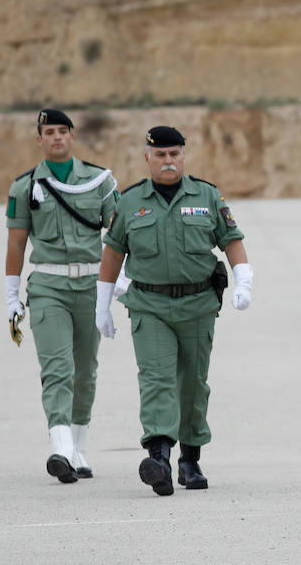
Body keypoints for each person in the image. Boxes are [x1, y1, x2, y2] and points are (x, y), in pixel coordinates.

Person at [96, 126, 253, 496]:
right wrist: (102, 304)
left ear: (183, 156)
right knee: (156, 378)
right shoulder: (130, 201)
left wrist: (243, 279)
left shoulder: (207, 195)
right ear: (147, 157)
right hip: (149, 305)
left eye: (175, 154)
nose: (169, 161)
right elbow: (113, 253)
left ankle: (190, 460)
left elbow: (231, 239)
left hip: (198, 304)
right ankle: (160, 458)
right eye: (161, 154)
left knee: (193, 384)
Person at [5, 108, 120, 482]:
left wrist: (121, 280)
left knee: (85, 372)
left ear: (72, 136)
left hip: (90, 285)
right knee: (57, 368)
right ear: (39, 139)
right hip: (49, 286)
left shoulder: (99, 181)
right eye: (49, 131)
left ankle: (80, 447)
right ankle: (60, 448)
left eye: (62, 131)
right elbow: (16, 245)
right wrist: (11, 296)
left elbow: (118, 236)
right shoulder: (24, 186)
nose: (56, 137)